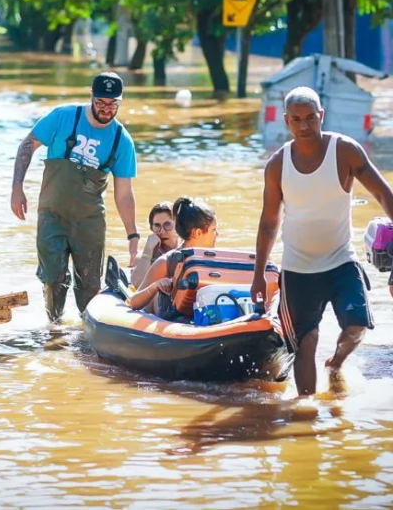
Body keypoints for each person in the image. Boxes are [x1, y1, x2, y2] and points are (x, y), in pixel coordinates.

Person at [251, 86, 393, 396]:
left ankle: (337, 364)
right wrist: (259, 274)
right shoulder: (278, 164)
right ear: (286, 121)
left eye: (311, 119)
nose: (305, 126)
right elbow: (268, 222)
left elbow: (383, 192)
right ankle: (306, 410)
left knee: (357, 326)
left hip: (341, 260)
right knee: (306, 341)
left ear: (321, 117)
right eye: (297, 120)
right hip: (298, 269)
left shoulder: (345, 151)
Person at [10, 71, 138, 322]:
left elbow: (124, 194)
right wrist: (17, 188)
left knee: (90, 285)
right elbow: (27, 145)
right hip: (51, 215)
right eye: (100, 102)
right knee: (53, 279)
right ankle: (54, 331)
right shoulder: (63, 117)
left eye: (113, 104)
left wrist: (132, 234)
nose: (106, 109)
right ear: (91, 96)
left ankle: (86, 337)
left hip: (89, 221)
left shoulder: (122, 140)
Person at [129, 197, 218, 313]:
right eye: (214, 230)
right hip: (169, 322)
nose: (217, 234)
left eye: (167, 225)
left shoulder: (216, 258)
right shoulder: (166, 262)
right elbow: (134, 302)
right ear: (198, 233)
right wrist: (156, 286)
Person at [131, 201, 179, 288]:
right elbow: (137, 285)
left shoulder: (189, 249)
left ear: (178, 225)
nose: (162, 231)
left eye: (167, 225)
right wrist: (148, 250)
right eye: (157, 226)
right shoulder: (145, 256)